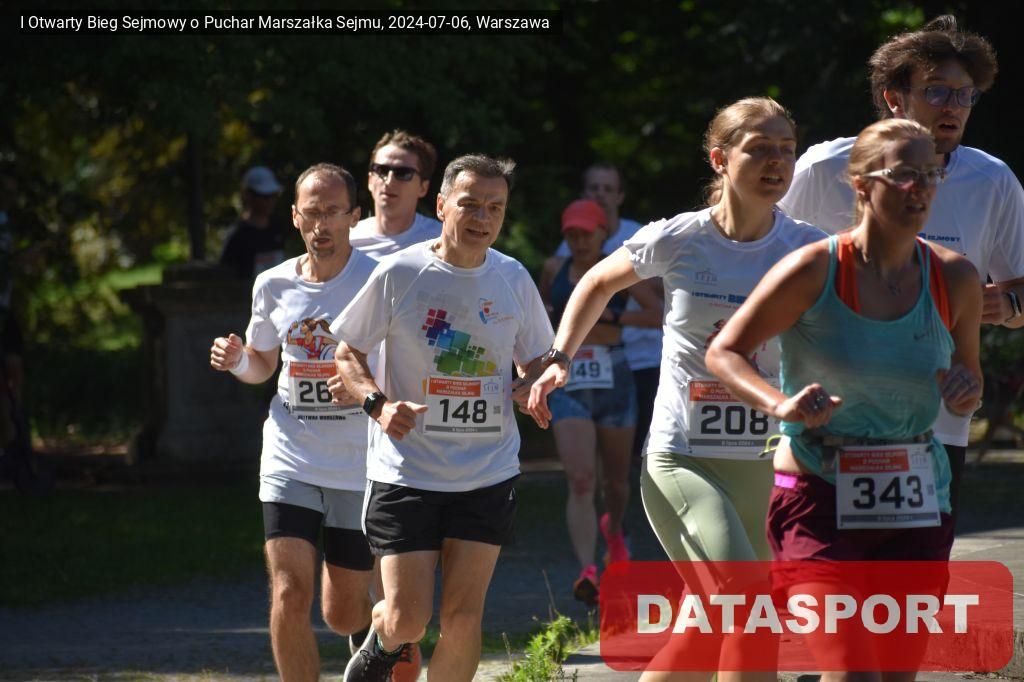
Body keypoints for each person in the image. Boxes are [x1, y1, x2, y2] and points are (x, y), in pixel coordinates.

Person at [528, 97, 825, 680]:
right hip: (683, 457)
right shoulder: (681, 237)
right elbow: (596, 282)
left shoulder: (808, 248)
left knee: (708, 629)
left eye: (787, 150)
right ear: (719, 158)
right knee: (749, 606)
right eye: (759, 149)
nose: (777, 162)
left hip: (767, 460)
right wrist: (560, 357)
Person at [706, 118, 983, 679]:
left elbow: (967, 380)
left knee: (895, 673)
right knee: (853, 669)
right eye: (902, 175)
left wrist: (964, 391)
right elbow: (725, 352)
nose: (920, 189)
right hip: (817, 497)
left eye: (930, 175)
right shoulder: (815, 269)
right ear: (861, 184)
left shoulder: (954, 277)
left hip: (916, 499)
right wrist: (780, 405)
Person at [778, 15, 1024, 524]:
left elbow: (1019, 291)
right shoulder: (825, 168)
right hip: (830, 415)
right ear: (894, 98)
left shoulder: (992, 181)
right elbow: (764, 262)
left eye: (965, 95)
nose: (953, 106)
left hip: (935, 421)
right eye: (936, 91)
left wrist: (1009, 305)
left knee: (916, 567)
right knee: (823, 564)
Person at [332, 154, 554, 682]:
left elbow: (537, 358)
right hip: (407, 472)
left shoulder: (512, 277)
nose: (482, 218)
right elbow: (347, 351)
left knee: (463, 617)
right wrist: (379, 405)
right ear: (441, 205)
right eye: (470, 204)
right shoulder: (401, 273)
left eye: (495, 208)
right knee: (408, 620)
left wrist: (534, 384)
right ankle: (381, 641)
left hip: (487, 471)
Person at [210, 163, 378, 681]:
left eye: (333, 212)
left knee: (342, 613)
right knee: (287, 590)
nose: (321, 223)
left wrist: (364, 388)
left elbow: (404, 363)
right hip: (291, 456)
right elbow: (263, 362)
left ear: (354, 216)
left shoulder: (380, 279)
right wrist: (239, 361)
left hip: (358, 464)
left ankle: (378, 629)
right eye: (312, 212)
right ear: (295, 216)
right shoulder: (273, 283)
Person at [538, 198, 661, 605]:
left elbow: (658, 314)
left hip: (615, 373)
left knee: (616, 481)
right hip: (569, 379)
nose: (579, 241)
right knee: (580, 479)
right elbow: (539, 315)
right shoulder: (554, 269)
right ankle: (587, 568)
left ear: (602, 233)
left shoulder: (618, 269)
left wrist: (613, 317)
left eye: (586, 233)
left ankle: (614, 528)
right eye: (571, 234)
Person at [557, 162, 664, 458]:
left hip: (642, 358)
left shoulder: (639, 236)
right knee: (586, 462)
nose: (600, 194)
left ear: (620, 196)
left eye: (608, 189)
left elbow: (664, 289)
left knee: (638, 454)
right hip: (583, 360)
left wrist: (615, 302)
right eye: (594, 188)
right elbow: (556, 294)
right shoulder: (568, 246)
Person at [349, 130, 442, 258]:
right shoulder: (347, 239)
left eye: (403, 173)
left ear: (423, 187)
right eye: (381, 170)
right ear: (370, 180)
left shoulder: (441, 240)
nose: (389, 181)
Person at [220, 165, 288, 280]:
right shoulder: (237, 235)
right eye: (264, 196)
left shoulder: (278, 227)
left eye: (273, 195)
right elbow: (226, 274)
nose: (270, 201)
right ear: (248, 195)